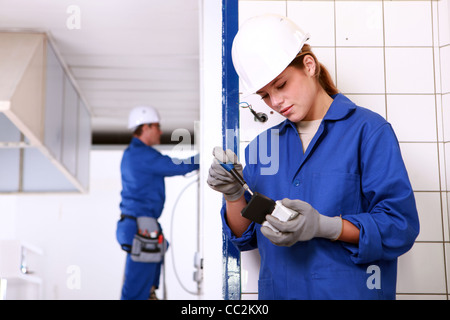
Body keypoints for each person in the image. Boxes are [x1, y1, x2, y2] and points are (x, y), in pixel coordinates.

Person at [207, 14, 419, 300]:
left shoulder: (369, 131)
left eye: (280, 85)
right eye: (265, 96)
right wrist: (233, 195)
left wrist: (326, 226)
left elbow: (399, 226)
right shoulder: (261, 147)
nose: (275, 102)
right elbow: (247, 238)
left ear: (309, 66)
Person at [116, 105, 199, 300]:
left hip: (139, 226)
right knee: (137, 294)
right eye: (157, 126)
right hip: (141, 226)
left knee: (145, 291)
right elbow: (177, 166)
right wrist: (208, 158)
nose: (160, 131)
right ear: (145, 127)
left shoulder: (134, 154)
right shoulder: (141, 154)